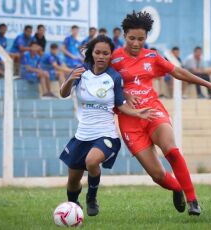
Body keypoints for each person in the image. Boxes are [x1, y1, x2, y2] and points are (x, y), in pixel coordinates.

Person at [111, 11, 211, 216]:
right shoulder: (114, 58)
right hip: (129, 121)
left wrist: (209, 85)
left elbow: (179, 72)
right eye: (132, 38)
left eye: (141, 39)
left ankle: (192, 200)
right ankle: (177, 188)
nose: (136, 43)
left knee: (171, 150)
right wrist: (123, 92)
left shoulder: (152, 56)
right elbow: (102, 81)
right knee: (157, 175)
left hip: (153, 112)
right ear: (124, 36)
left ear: (146, 38)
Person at [59, 35, 156, 216]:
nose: (101, 56)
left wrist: (136, 112)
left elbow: (120, 104)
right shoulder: (81, 72)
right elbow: (63, 94)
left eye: (106, 53)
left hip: (106, 134)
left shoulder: (114, 77)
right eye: (98, 52)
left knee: (92, 161)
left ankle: (91, 198)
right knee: (73, 180)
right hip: (82, 135)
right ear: (92, 53)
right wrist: (70, 79)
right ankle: (72, 209)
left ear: (111, 55)